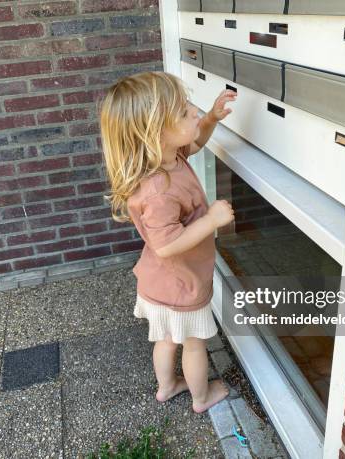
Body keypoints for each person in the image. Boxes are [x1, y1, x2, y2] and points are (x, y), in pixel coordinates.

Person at [100, 71, 237, 413]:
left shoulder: (167, 159)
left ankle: (166, 387)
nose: (193, 111)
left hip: (159, 281)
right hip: (182, 284)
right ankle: (201, 397)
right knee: (193, 345)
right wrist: (211, 220)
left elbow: (196, 141)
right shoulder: (160, 190)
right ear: (153, 133)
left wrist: (210, 119)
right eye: (183, 111)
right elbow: (166, 244)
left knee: (165, 339)